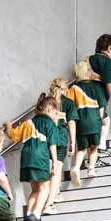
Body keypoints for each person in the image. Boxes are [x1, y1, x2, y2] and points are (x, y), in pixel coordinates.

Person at [5, 96, 59, 221]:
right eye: (55, 112)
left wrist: (8, 125)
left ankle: (28, 215)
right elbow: (52, 145)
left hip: (26, 159)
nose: (56, 116)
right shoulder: (50, 124)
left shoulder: (28, 123)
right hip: (40, 158)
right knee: (45, 188)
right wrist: (55, 163)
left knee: (35, 190)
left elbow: (12, 134)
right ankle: (35, 214)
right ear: (49, 109)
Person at [66, 60, 105, 178]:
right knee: (94, 148)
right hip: (94, 122)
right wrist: (100, 119)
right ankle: (91, 170)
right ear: (88, 72)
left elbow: (69, 106)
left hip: (81, 123)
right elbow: (102, 106)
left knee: (82, 149)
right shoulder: (97, 87)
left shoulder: (73, 89)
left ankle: (76, 167)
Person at [45, 77, 77, 207]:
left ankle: (56, 193)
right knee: (57, 170)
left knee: (51, 168)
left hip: (47, 139)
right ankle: (51, 200)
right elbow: (71, 123)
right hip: (61, 139)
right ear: (65, 89)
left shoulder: (45, 102)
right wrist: (73, 142)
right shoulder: (68, 103)